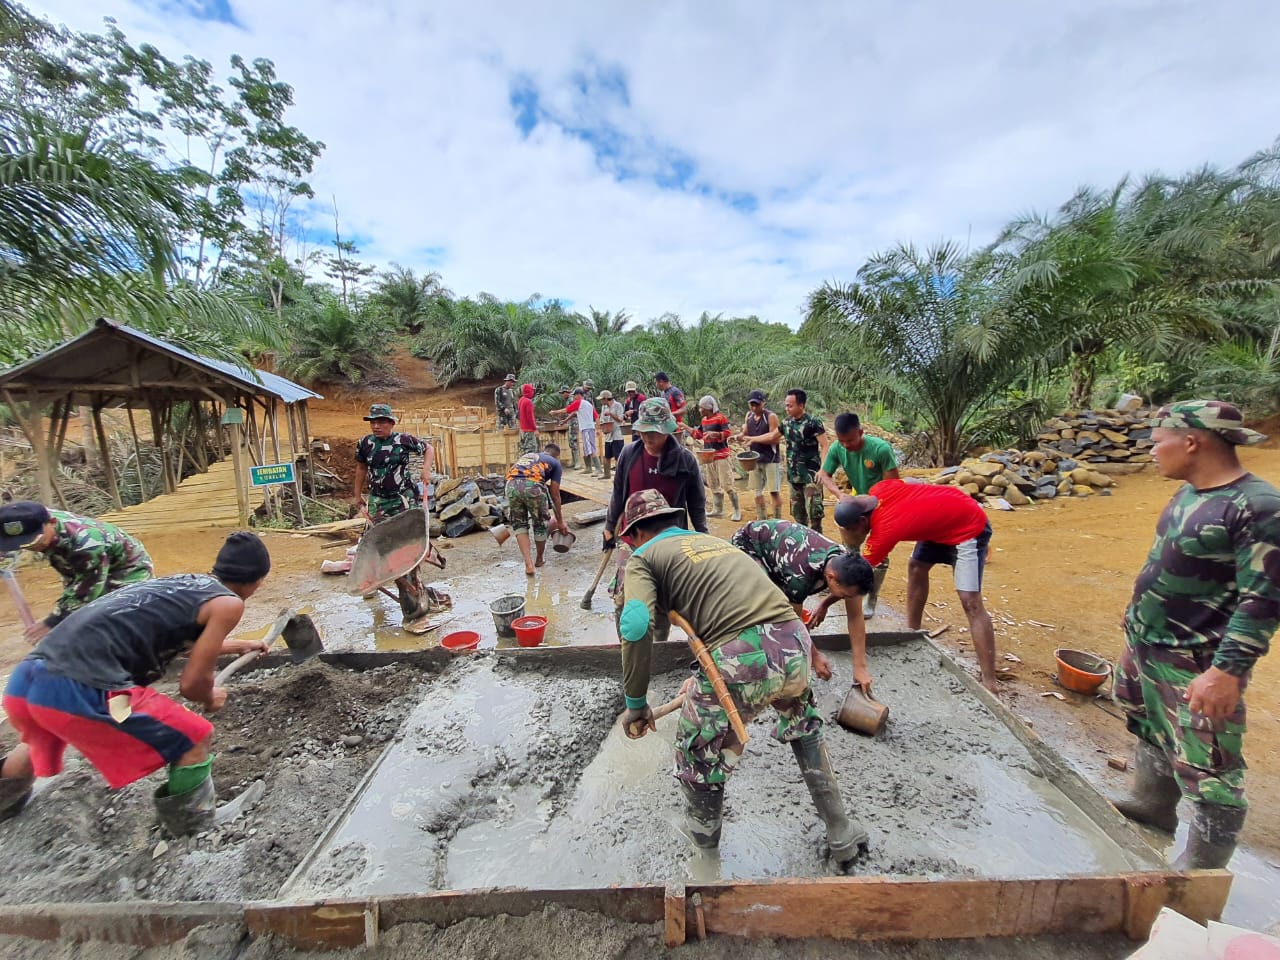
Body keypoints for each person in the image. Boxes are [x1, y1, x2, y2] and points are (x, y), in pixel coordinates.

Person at [616, 490, 867, 863]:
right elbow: (723, 611)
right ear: (674, 521)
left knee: (695, 751)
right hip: (794, 640)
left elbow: (636, 626)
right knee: (804, 725)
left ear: (633, 534)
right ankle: (840, 832)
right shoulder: (712, 544)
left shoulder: (643, 557)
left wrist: (636, 704)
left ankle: (705, 854)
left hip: (741, 658)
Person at [0, 533, 274, 833]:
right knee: (192, 736)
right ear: (257, 581)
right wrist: (210, 697)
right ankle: (194, 826)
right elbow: (192, 684)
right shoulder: (229, 604)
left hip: (31, 682)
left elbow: (180, 642)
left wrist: (239, 645)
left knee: (39, 739)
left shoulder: (187, 585)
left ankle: (6, 804)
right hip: (83, 687)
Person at [1111, 401, 1280, 870]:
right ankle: (1153, 805)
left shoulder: (1257, 507)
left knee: (1210, 766)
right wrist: (1135, 631)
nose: (1151, 450)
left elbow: (1263, 600)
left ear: (1191, 441)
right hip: (1150, 644)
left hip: (1198, 659)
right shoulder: (1189, 493)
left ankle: (1201, 873)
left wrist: (1226, 672)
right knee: (1148, 723)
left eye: (1157, 440)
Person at [834, 484, 998, 692]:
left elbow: (854, 577)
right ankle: (912, 633)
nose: (846, 533)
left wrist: (824, 603)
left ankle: (990, 682)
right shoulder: (878, 491)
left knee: (970, 601)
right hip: (940, 521)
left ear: (863, 520)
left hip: (968, 524)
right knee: (916, 567)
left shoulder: (885, 529)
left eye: (849, 529)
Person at [604, 398, 708, 642]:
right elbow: (618, 494)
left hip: (670, 541)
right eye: (645, 431)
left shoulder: (685, 460)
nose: (649, 437)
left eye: (655, 431)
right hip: (632, 538)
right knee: (624, 596)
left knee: (663, 597)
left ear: (667, 429)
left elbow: (696, 504)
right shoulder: (629, 454)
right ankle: (628, 646)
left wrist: (702, 536)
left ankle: (659, 646)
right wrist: (609, 528)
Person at [730, 519, 875, 687]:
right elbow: (793, 621)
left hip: (783, 550)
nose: (848, 599)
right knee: (768, 603)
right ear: (831, 578)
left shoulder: (845, 564)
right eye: (846, 596)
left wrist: (860, 667)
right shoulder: (800, 577)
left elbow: (855, 617)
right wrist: (814, 656)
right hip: (750, 543)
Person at [0, 501, 154, 643]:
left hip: (127, 567)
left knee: (118, 615)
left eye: (33, 542)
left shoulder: (86, 543)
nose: (29, 547)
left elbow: (86, 591)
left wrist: (52, 622)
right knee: (78, 618)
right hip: (76, 563)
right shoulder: (29, 519)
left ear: (52, 523)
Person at [351, 403, 438, 623]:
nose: (376, 426)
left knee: (407, 541)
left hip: (403, 497)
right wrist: (357, 494)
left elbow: (429, 448)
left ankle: (412, 577)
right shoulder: (365, 443)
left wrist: (426, 470)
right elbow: (361, 468)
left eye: (381, 422)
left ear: (391, 423)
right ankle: (382, 579)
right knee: (380, 542)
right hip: (379, 500)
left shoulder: (403, 440)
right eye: (373, 422)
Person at [817, 413, 901, 618]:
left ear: (861, 432)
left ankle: (872, 598)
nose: (846, 445)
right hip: (856, 505)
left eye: (851, 440)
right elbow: (824, 475)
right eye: (842, 440)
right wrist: (840, 495)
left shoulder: (881, 449)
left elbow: (893, 486)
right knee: (850, 553)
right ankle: (850, 591)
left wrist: (871, 502)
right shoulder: (838, 448)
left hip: (882, 506)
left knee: (879, 558)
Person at [503, 443, 571, 576]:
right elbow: (555, 494)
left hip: (510, 486)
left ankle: (528, 564)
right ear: (556, 456)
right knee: (540, 524)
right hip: (532, 486)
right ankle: (539, 559)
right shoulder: (555, 464)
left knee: (520, 525)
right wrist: (560, 521)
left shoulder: (529, 456)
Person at [781, 389, 828, 533]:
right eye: (786, 405)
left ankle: (818, 547)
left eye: (790, 405)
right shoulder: (786, 423)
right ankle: (802, 547)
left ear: (801, 405)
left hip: (811, 476)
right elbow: (772, 436)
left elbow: (825, 445)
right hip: (794, 476)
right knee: (798, 516)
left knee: (814, 515)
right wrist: (750, 438)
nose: (787, 408)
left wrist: (823, 470)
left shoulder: (813, 423)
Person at [736, 389, 783, 521]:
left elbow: (774, 438)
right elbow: (744, 433)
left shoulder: (771, 416)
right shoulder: (749, 416)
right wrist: (738, 437)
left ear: (763, 403)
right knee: (757, 492)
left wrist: (753, 439)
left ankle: (777, 520)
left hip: (770, 458)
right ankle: (761, 519)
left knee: (774, 491)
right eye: (752, 404)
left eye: (757, 404)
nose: (754, 407)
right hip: (754, 460)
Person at [691, 395, 740, 521]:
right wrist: (686, 428)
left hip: (721, 455)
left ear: (708, 408)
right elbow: (698, 435)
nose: (700, 410)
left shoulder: (720, 418)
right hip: (709, 456)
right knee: (713, 484)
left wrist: (715, 434)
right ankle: (718, 509)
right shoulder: (704, 420)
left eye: (701, 408)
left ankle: (737, 510)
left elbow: (728, 433)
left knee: (727, 484)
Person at [597, 389, 626, 481]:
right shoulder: (603, 407)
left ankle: (619, 476)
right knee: (607, 456)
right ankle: (606, 474)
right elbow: (602, 419)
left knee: (618, 456)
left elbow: (620, 420)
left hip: (617, 434)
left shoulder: (618, 406)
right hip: (608, 435)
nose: (601, 401)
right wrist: (602, 428)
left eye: (602, 399)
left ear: (606, 399)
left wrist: (611, 414)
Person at [552, 386, 581, 470]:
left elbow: (572, 412)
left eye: (562, 393)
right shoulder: (568, 400)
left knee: (574, 441)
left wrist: (560, 416)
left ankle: (578, 462)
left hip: (574, 422)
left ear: (566, 392)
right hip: (570, 422)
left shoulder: (571, 400)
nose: (562, 395)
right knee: (571, 441)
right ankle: (574, 461)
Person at [516, 383, 539, 455]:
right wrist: (535, 429)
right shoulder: (528, 402)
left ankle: (523, 465)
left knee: (523, 450)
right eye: (532, 391)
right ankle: (529, 466)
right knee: (531, 450)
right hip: (529, 430)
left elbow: (519, 415)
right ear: (529, 391)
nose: (533, 392)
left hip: (522, 429)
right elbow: (530, 417)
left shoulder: (521, 400)